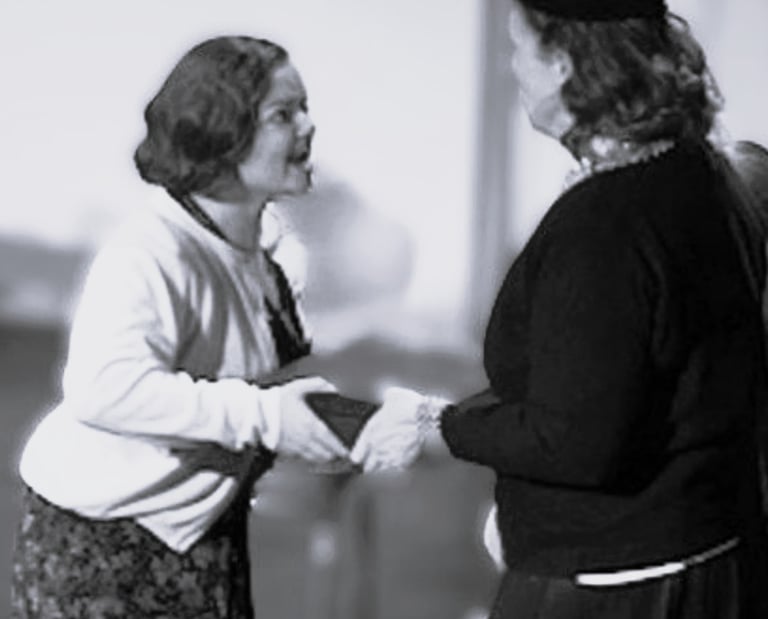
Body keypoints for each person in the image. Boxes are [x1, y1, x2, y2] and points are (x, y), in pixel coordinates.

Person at [351, 1, 768, 617]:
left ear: (565, 64)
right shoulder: (696, 173)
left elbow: (573, 441)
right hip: (703, 558)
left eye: (519, 48)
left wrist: (434, 425)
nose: (511, 67)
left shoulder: (605, 225)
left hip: (614, 586)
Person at [11, 35, 350, 619]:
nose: (308, 126)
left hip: (202, 539)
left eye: (305, 108)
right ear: (224, 132)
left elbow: (250, 395)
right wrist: (267, 416)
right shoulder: (151, 252)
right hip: (106, 547)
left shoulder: (271, 255)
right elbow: (103, 389)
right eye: (283, 114)